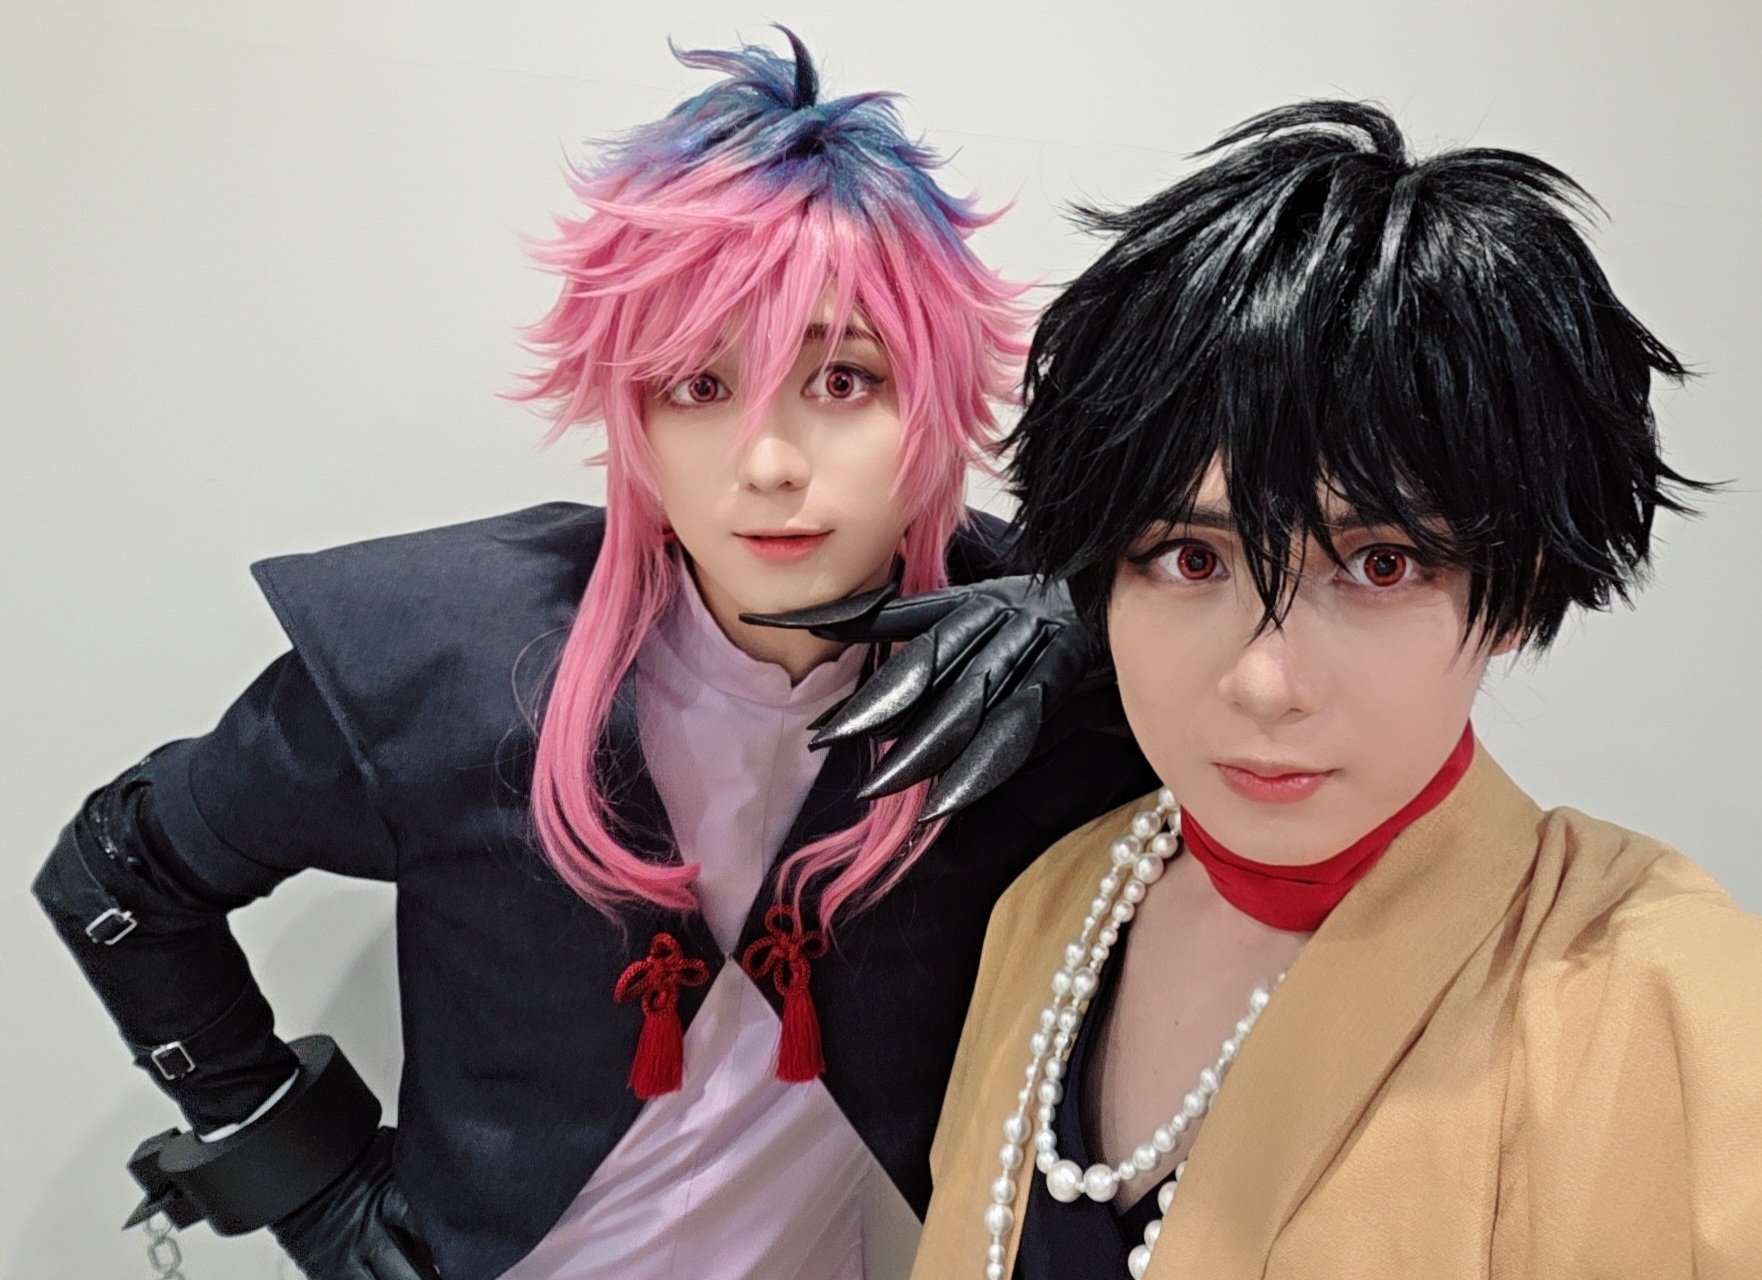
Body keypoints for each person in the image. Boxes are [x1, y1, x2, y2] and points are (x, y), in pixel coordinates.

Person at [30, 32, 1153, 1280]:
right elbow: (118, 878)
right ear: (630, 416)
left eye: (843, 378)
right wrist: (307, 1180)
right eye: (697, 386)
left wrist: (1106, 626)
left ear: (933, 397)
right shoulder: (459, 660)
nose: (769, 462)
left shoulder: (1026, 666)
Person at [909, 101, 1762, 1279]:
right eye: (1190, 558)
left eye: (1380, 565)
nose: (1267, 682)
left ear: (1515, 587)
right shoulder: (1048, 909)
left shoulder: (1667, 995)